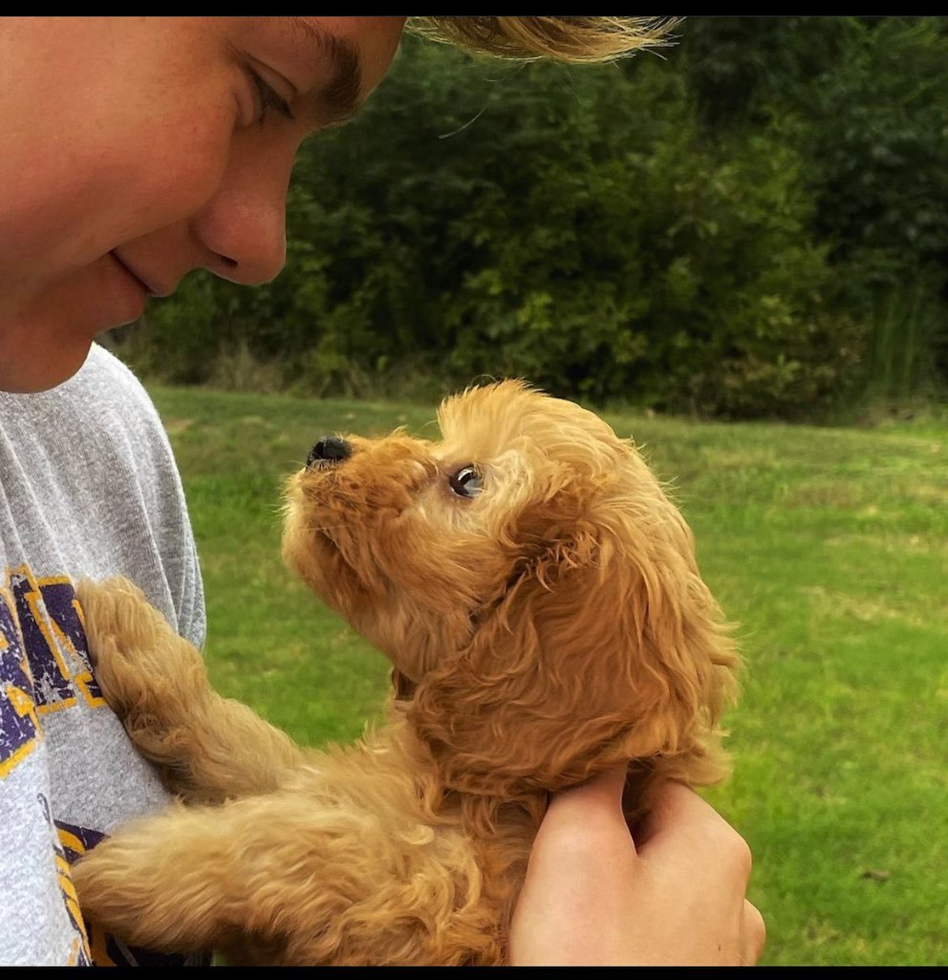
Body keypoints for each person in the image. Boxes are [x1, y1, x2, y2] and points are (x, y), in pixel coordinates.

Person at [0, 17, 765, 966]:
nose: (262, 242)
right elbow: (354, 836)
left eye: (465, 483)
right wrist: (221, 787)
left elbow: (374, 858)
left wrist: (208, 765)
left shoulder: (101, 447)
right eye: (263, 93)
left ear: (538, 634)